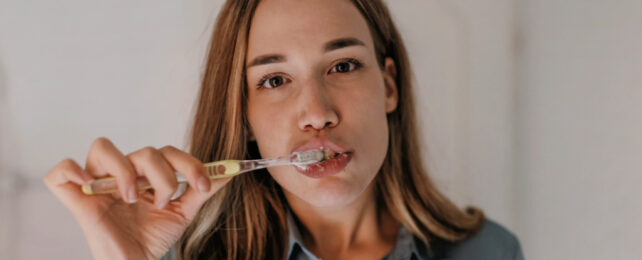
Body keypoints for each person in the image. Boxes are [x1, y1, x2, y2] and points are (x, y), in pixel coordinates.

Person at [44, 0, 524, 259]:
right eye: (274, 80)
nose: (316, 112)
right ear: (244, 117)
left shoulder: (490, 252)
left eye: (343, 66)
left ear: (389, 87)